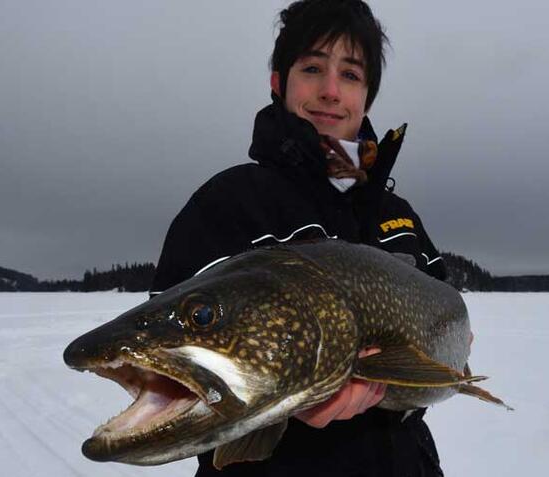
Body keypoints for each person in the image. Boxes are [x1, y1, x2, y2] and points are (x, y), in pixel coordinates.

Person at [151, 1, 455, 475]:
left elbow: (444, 320)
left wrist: (428, 374)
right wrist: (287, 403)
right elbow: (177, 357)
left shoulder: (398, 216)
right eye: (313, 68)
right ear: (279, 82)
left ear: (367, 95)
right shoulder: (229, 204)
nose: (331, 91)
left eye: (350, 75)